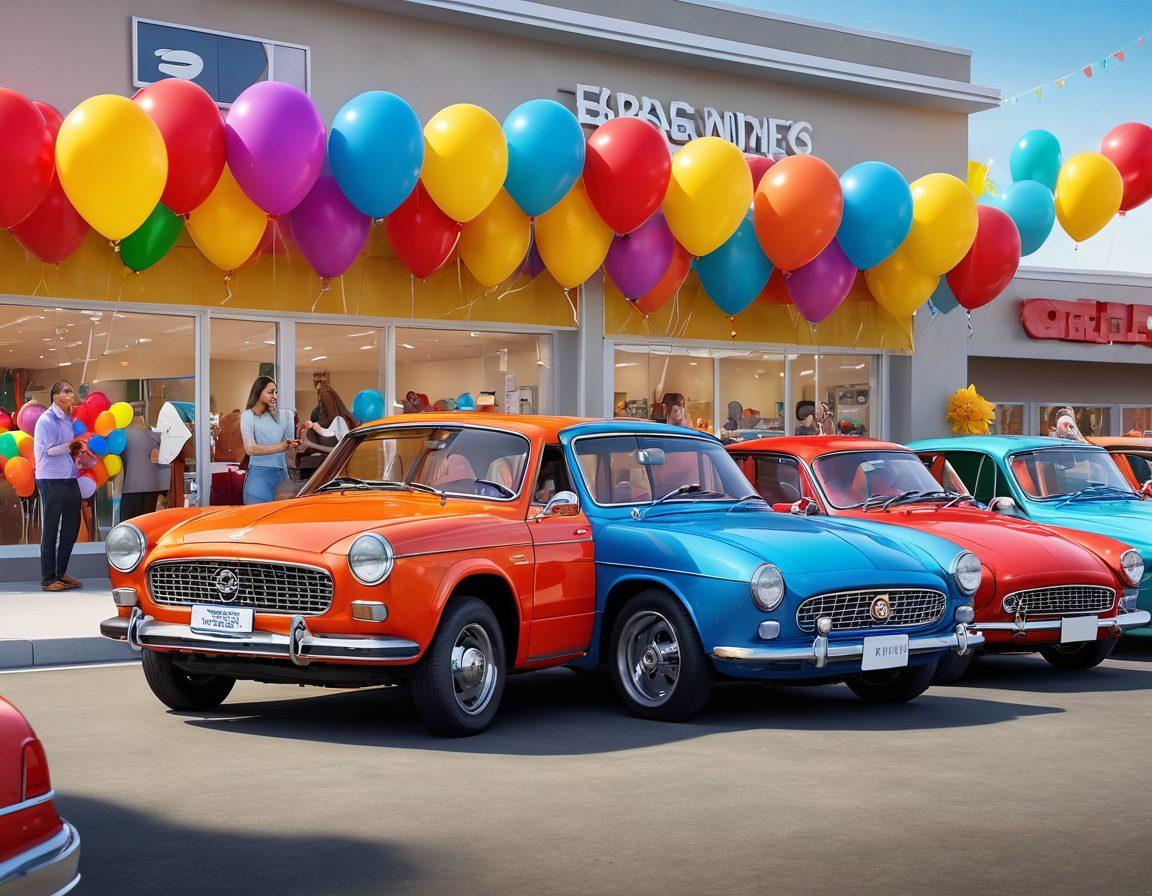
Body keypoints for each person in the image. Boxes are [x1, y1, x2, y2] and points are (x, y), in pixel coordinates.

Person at [32, 380, 84, 592]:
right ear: (56, 397)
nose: (71, 396)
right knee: (51, 527)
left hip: (68, 476)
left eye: (71, 392)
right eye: (66, 392)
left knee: (72, 525)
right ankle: (47, 578)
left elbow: (63, 450)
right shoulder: (46, 420)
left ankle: (60, 573)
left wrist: (74, 450)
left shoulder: (67, 419)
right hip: (50, 478)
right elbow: (49, 450)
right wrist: (70, 446)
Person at [240, 376, 298, 504]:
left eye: (276, 392)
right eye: (270, 392)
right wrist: (280, 447)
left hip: (282, 476)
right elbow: (250, 449)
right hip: (259, 479)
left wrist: (297, 444)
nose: (275, 396)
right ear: (258, 392)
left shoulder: (285, 416)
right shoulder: (248, 416)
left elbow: (290, 445)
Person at [297, 386, 356, 480]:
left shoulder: (340, 421)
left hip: (335, 471)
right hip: (324, 469)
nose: (319, 406)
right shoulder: (330, 422)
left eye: (321, 403)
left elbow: (342, 449)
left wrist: (311, 445)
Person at [120, 401, 163, 520]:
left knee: (129, 524)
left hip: (131, 486)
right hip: (153, 485)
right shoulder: (156, 434)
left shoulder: (122, 434)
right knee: (147, 523)